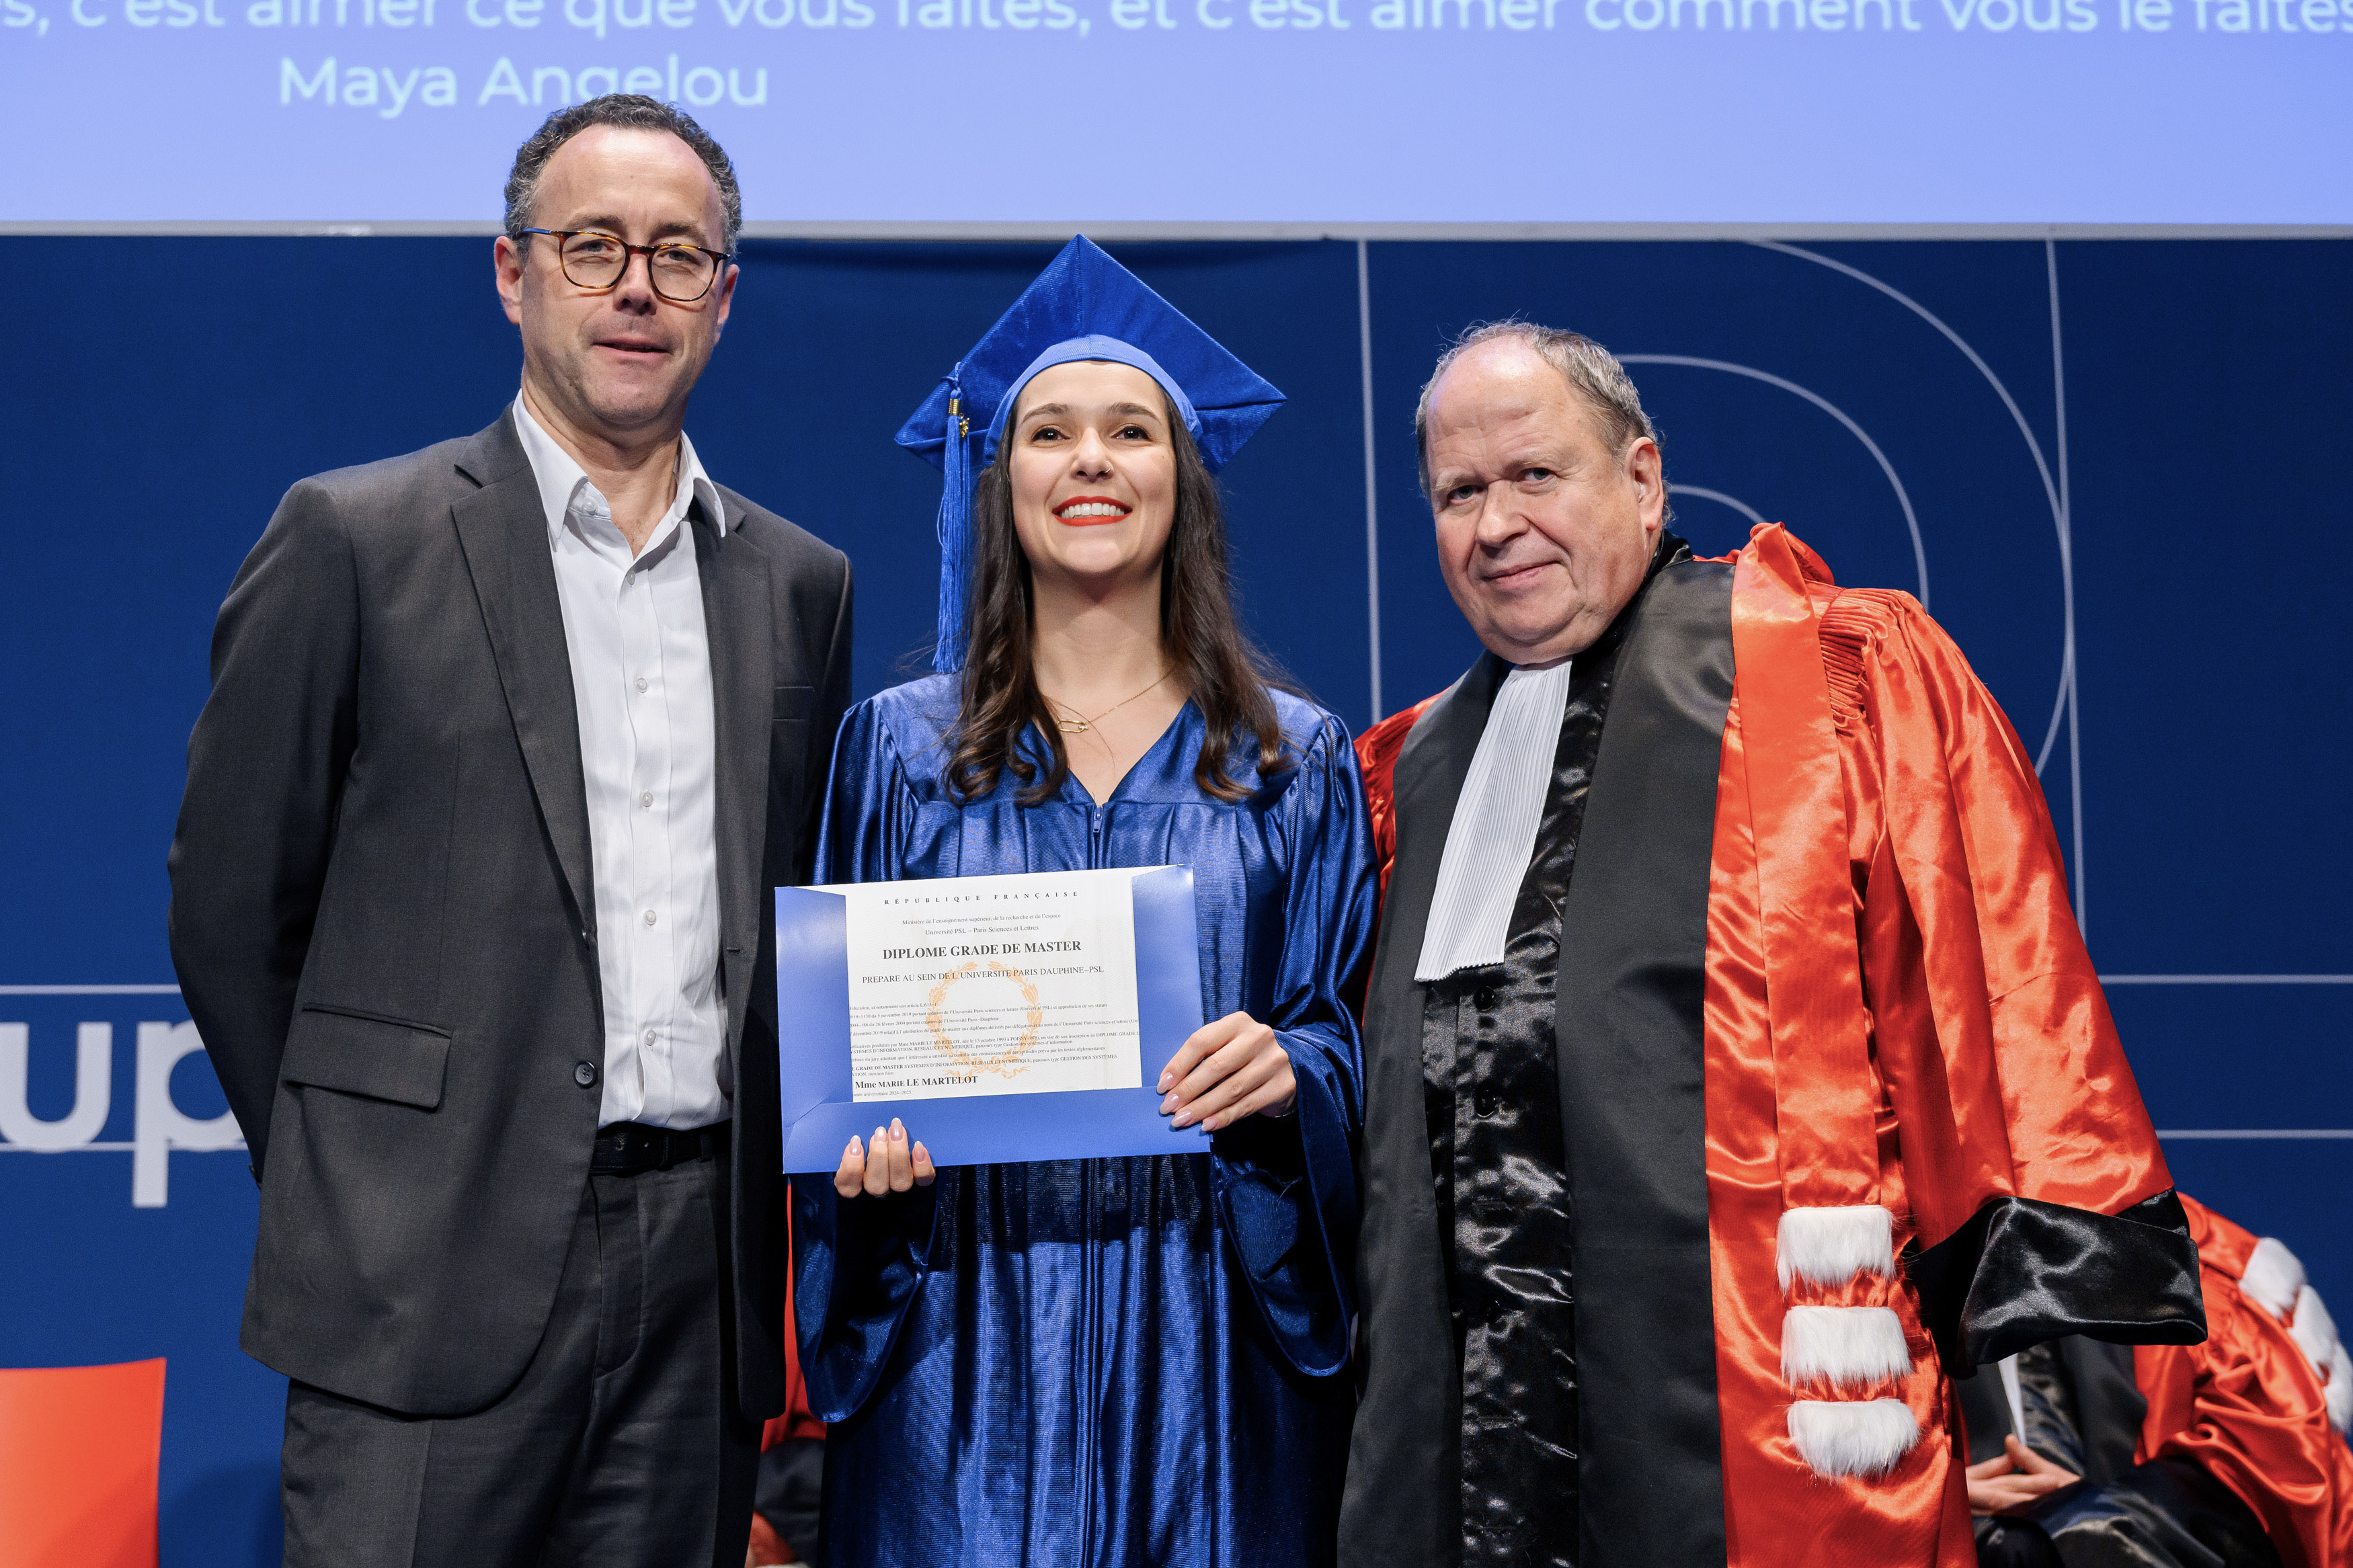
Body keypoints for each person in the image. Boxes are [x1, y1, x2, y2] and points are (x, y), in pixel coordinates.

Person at [1342, 321, 2206, 1567]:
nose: (1496, 524)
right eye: (1458, 493)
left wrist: (2043, 1330)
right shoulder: (1405, 776)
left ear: (1643, 477)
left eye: (1535, 474)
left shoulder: (1827, 673)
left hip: (1757, 1417)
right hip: (1457, 1455)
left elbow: (1983, 990)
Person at [167, 95, 851, 1567]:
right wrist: (354, 1176)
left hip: (698, 1292)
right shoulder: (356, 537)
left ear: (724, 297)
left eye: (678, 255)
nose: (635, 287)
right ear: (511, 271)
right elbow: (229, 905)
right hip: (415, 1273)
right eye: (593, 245)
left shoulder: (799, 583)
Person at [791, 236, 1376, 1567]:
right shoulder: (898, 750)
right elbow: (836, 1065)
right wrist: (859, 1159)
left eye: (1131, 430)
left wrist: (1289, 1071)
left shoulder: (1289, 758)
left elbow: (1349, 1040)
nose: (1092, 460)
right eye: (1049, 433)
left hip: (1211, 1331)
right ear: (1000, 485)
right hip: (960, 1328)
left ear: (1185, 478)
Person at [1960, 1196, 2353, 1568]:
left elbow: (2287, 1486)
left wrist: (2097, 1520)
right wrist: (1937, 1504)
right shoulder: (1920, 1276)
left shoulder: (2194, 1265)